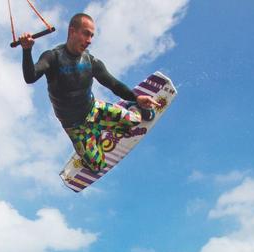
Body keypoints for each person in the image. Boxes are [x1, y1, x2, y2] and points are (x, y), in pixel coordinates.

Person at [19, 13, 159, 173]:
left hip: (95, 110)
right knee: (97, 167)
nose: (89, 40)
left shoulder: (91, 61)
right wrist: (27, 50)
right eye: (86, 33)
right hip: (75, 127)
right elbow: (30, 77)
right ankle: (91, 144)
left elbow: (113, 83)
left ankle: (128, 108)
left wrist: (137, 98)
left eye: (92, 35)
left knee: (135, 121)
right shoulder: (52, 57)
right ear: (72, 31)